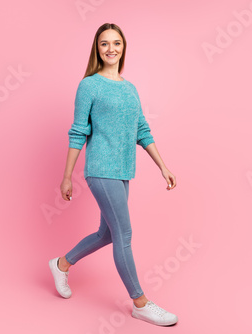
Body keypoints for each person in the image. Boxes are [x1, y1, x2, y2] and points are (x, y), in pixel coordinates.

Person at [49, 22, 178, 327]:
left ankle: (61, 264)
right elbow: (78, 131)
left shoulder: (130, 88)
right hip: (101, 170)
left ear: (123, 47)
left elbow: (142, 130)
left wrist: (163, 165)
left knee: (107, 234)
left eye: (116, 43)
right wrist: (67, 176)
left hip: (123, 171)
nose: (111, 49)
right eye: (104, 43)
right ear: (97, 48)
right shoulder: (89, 85)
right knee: (125, 234)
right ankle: (140, 303)